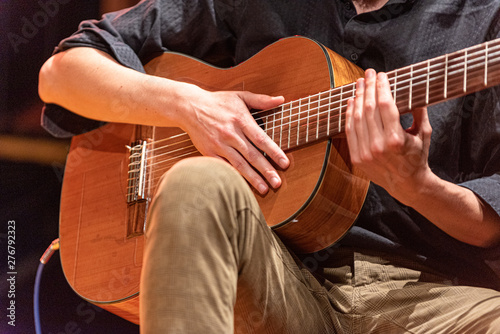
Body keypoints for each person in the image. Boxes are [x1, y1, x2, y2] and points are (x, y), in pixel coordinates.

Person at [39, 0, 500, 332]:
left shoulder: (485, 21)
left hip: (424, 293)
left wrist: (417, 186)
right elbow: (61, 73)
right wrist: (188, 106)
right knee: (196, 180)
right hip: (268, 272)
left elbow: (492, 229)